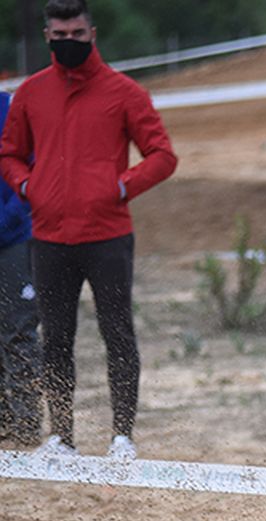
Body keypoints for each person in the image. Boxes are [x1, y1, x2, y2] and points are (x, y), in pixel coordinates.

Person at [0, 0, 177, 460]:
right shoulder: (31, 94)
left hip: (108, 235)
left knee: (117, 333)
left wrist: (120, 186)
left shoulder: (124, 92)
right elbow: (9, 153)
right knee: (55, 339)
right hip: (49, 236)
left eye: (77, 34)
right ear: (47, 37)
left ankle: (123, 436)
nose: (69, 43)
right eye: (60, 36)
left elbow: (162, 154)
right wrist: (26, 184)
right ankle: (62, 437)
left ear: (92, 33)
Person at [0, 90, 38, 447]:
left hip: (13, 237)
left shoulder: (13, 108)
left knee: (18, 328)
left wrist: (6, 219)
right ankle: (3, 420)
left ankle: (25, 424)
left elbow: (32, 169)